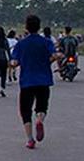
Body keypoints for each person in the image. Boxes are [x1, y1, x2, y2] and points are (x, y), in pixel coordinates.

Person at [10, 15, 59, 150]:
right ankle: (39, 120)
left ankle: (30, 139)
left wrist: (15, 64)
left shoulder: (21, 44)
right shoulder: (47, 42)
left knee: (25, 110)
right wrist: (48, 62)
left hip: (27, 81)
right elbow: (54, 55)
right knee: (42, 106)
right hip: (44, 80)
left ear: (26, 27)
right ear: (39, 27)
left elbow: (14, 62)